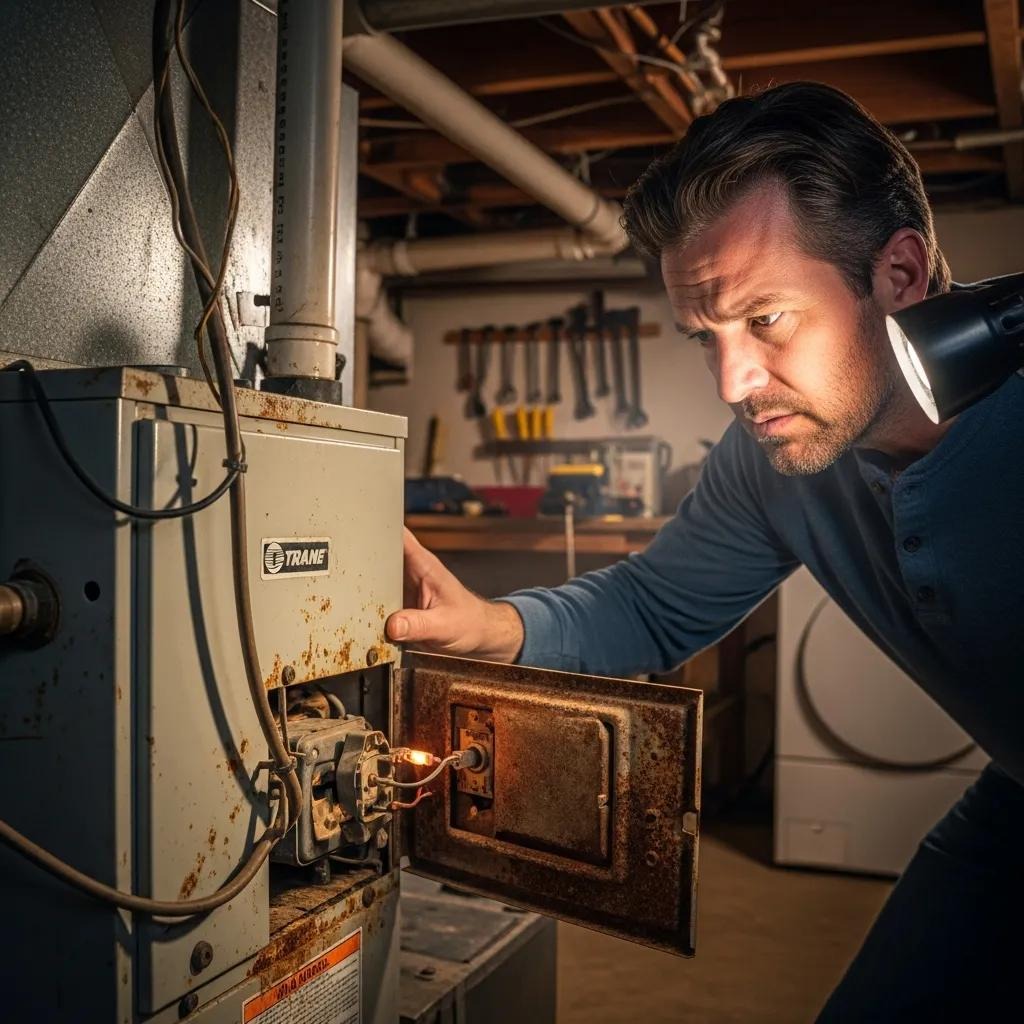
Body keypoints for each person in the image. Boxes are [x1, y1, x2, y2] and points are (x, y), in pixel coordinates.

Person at [385, 82, 1024, 1021]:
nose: (734, 382)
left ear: (899, 276)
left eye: (765, 319)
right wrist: (494, 626)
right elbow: (651, 605)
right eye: (705, 337)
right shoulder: (772, 460)